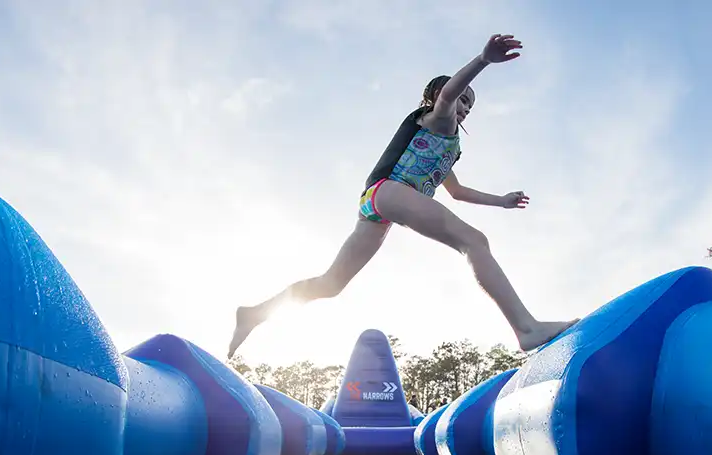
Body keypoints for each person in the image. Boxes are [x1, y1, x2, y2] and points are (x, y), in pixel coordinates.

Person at [227, 33, 578, 361]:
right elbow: (446, 97)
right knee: (473, 240)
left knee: (331, 284)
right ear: (439, 97)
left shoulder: (448, 146)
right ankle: (526, 327)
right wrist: (482, 60)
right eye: (463, 98)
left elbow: (456, 192)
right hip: (390, 192)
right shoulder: (436, 117)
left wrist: (500, 200)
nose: (465, 106)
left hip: (376, 209)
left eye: (470, 103)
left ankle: (255, 313)